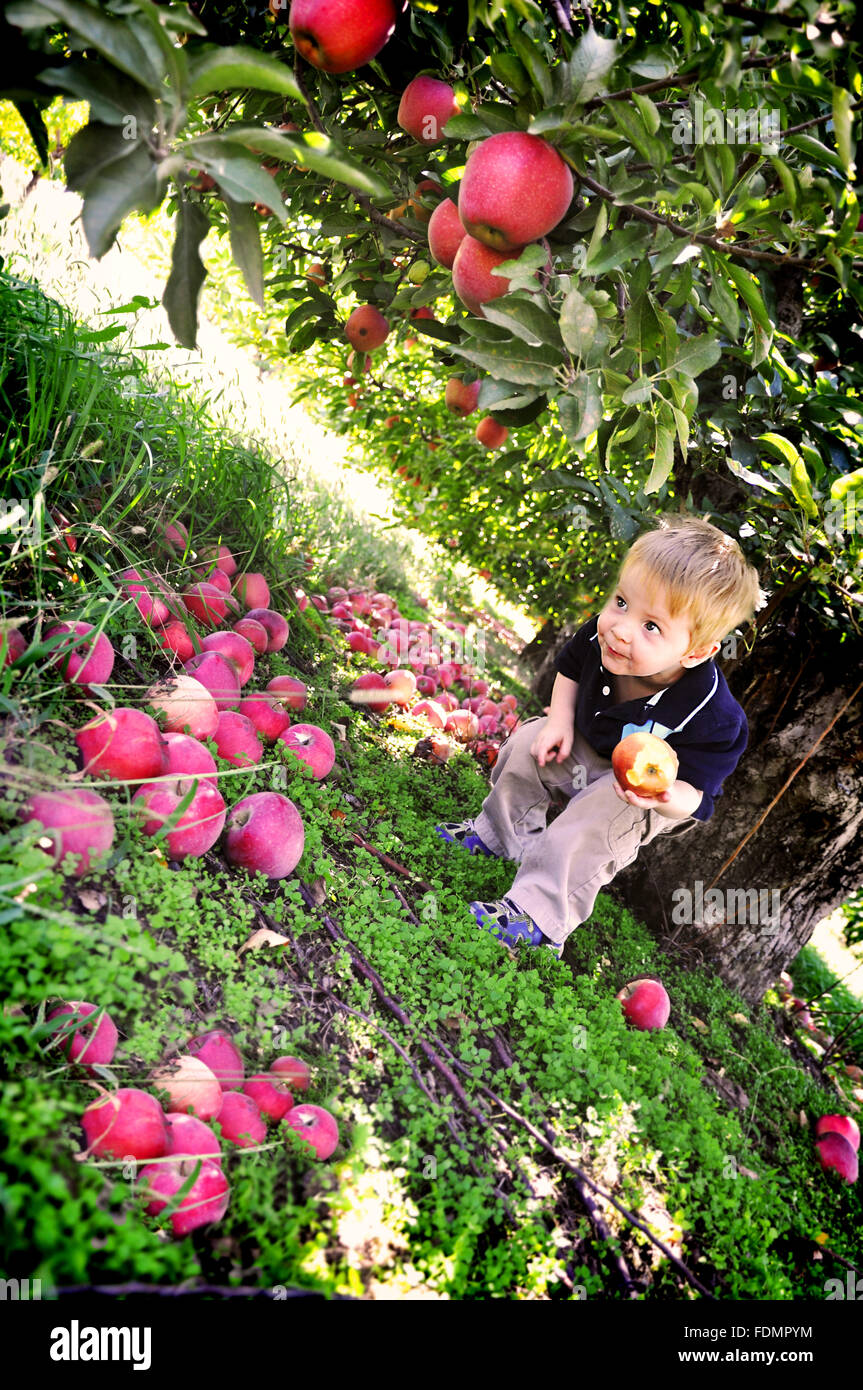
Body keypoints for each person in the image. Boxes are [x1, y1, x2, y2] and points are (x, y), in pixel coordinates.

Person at [435, 513, 765, 958]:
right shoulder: (601, 633)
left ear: (697, 651)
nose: (622, 627)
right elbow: (570, 669)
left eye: (652, 626)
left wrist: (663, 794)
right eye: (622, 602)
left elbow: (699, 797)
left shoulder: (713, 716)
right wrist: (557, 721)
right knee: (526, 745)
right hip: (586, 746)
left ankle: (539, 917)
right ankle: (497, 837)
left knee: (594, 820)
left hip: (639, 795)